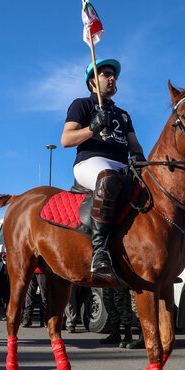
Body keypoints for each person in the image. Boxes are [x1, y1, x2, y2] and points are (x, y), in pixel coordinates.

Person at [61, 58, 145, 280]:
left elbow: (134, 144)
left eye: (113, 75)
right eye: (106, 74)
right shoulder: (82, 104)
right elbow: (66, 139)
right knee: (108, 180)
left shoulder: (123, 114)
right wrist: (93, 127)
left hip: (121, 164)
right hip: (91, 162)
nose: (112, 78)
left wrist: (140, 160)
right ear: (92, 83)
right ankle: (99, 251)